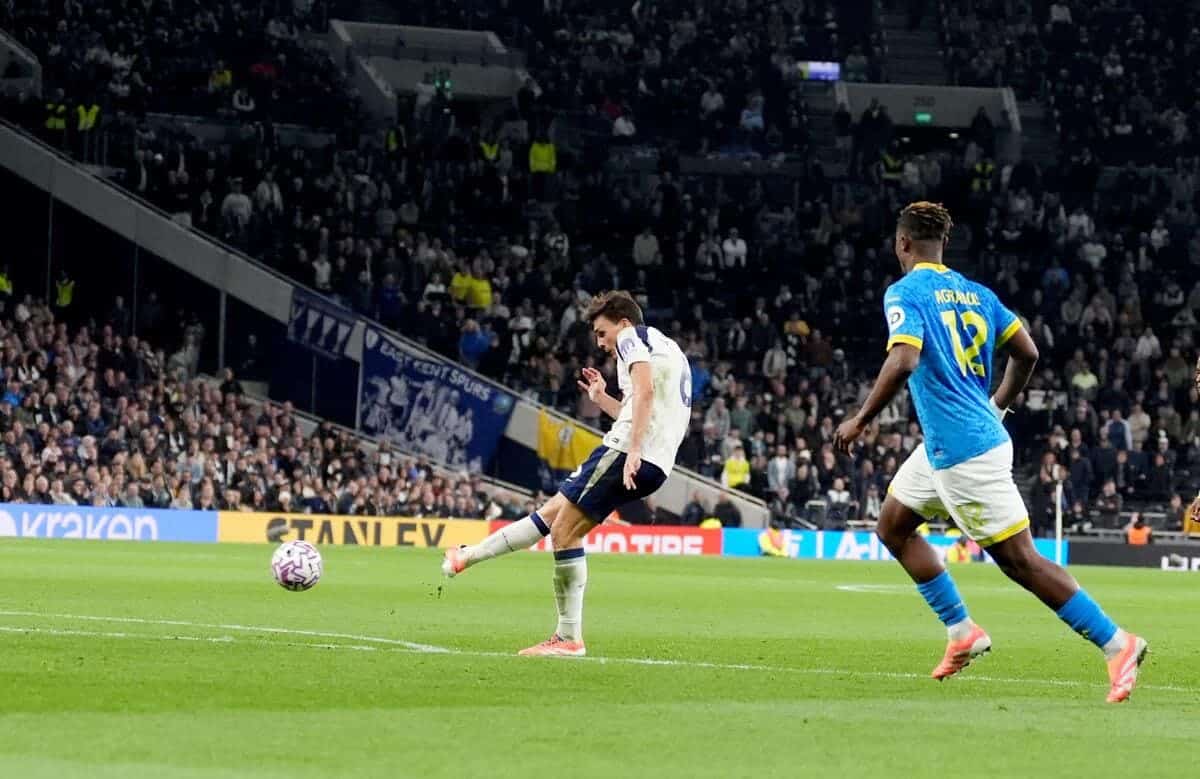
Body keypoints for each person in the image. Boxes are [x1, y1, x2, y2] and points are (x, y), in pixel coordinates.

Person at [833, 201, 1147, 703]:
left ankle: (1117, 643)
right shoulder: (978, 294)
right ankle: (962, 632)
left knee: (1021, 561)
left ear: (902, 244)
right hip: (951, 444)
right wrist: (997, 405)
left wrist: (861, 419)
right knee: (892, 525)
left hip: (964, 453)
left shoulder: (905, 291)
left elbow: (905, 359)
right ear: (944, 244)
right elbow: (1028, 352)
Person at [441, 291, 691, 656]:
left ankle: (568, 637)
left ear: (623, 322)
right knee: (551, 514)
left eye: (602, 332)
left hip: (626, 451)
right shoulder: (670, 349)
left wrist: (634, 449)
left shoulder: (630, 337)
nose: (601, 343)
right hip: (655, 460)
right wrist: (601, 398)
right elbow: (643, 408)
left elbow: (645, 393)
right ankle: (467, 557)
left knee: (563, 532)